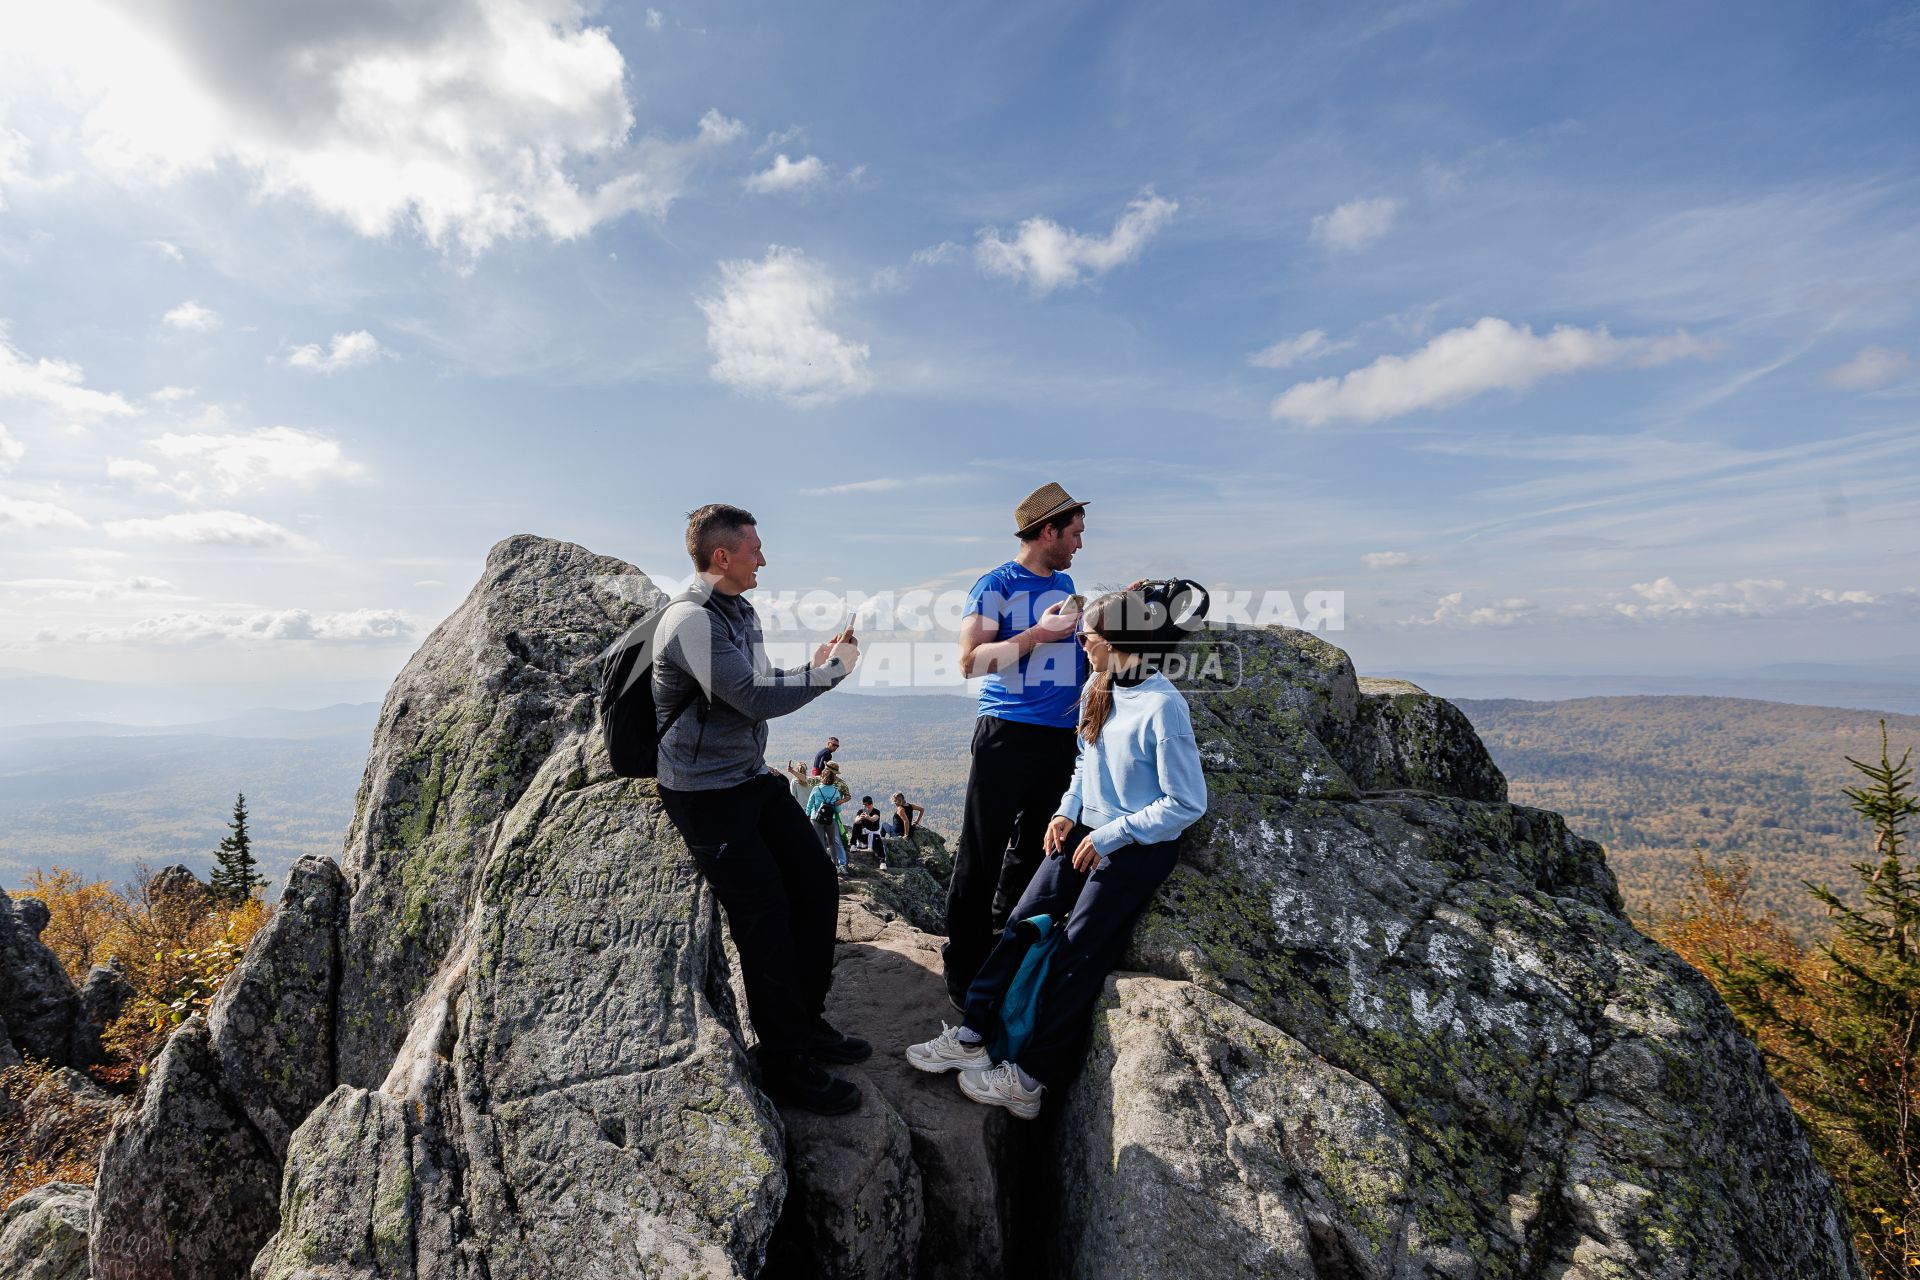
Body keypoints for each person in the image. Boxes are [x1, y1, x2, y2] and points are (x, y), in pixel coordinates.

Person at [907, 586, 1208, 1118]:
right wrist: (1067, 811)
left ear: (1117, 641)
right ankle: (974, 1033)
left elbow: (1186, 803)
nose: (1080, 645)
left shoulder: (1163, 707)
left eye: (1087, 637)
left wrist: (1110, 836)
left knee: (1076, 953)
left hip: (1133, 846)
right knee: (1022, 923)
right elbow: (1083, 762)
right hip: (1084, 828)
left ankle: (1029, 1079)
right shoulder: (1101, 682)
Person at [653, 503, 869, 1114]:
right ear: (722, 557)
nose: (763, 560)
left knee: (816, 881)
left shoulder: (737, 611)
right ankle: (785, 1064)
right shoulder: (689, 622)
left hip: (746, 777)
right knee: (766, 916)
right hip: (704, 793)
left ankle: (806, 1024)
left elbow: (763, 681)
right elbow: (750, 697)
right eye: (754, 550)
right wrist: (830, 674)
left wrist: (815, 663)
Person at [942, 481, 1089, 1009]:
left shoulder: (1067, 581)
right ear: (1047, 531)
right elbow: (970, 661)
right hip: (1008, 735)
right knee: (982, 854)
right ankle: (962, 967)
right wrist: (1038, 636)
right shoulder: (995, 585)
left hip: (1062, 738)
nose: (1079, 543)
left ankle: (1004, 954)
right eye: (1074, 532)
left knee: (1035, 852)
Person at [807, 762, 851, 875]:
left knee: (820, 842)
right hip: (830, 819)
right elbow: (838, 810)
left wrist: (808, 815)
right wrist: (836, 805)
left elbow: (810, 804)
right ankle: (835, 865)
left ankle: (821, 865)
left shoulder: (816, 789)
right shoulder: (836, 790)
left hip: (815, 819)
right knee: (832, 842)